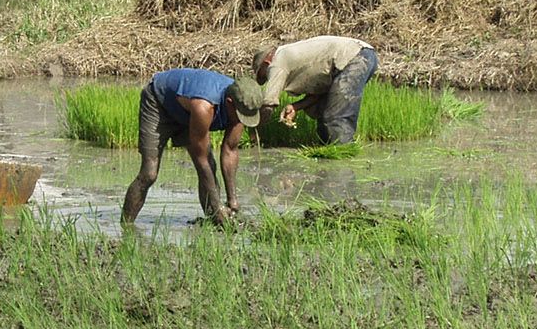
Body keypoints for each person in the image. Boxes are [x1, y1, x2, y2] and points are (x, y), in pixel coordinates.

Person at [121, 67, 263, 226]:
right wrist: (218, 206)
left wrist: (233, 201)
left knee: (211, 167)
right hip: (158, 103)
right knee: (149, 173)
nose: (242, 119)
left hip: (186, 110)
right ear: (230, 103)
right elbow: (201, 160)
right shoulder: (204, 106)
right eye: (241, 115)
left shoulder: (243, 106)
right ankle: (125, 227)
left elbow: (230, 150)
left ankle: (216, 222)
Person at [253, 36, 379, 145]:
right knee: (324, 112)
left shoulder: (277, 62)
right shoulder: (290, 57)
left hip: (355, 56)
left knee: (336, 117)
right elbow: (317, 95)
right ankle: (329, 152)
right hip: (362, 55)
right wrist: (295, 107)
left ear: (266, 62)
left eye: (263, 76)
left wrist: (254, 130)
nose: (267, 78)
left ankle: (342, 159)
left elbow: (268, 104)